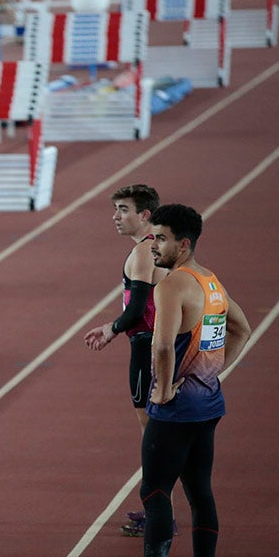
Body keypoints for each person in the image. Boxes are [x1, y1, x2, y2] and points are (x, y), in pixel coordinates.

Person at [98, 204, 251, 557]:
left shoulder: (172, 286)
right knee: (200, 494)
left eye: (160, 238)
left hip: (175, 410)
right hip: (208, 404)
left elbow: (161, 346)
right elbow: (242, 329)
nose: (153, 246)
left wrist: (163, 392)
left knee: (155, 492)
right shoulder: (211, 281)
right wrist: (212, 373)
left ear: (182, 244)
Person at [83, 184, 169, 537]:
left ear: (144, 215)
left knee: (152, 433)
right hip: (161, 342)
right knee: (161, 431)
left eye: (123, 209)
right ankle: (160, 509)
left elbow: (136, 310)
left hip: (146, 346)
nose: (115, 217)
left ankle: (159, 513)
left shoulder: (142, 253)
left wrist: (111, 328)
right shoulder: (160, 247)